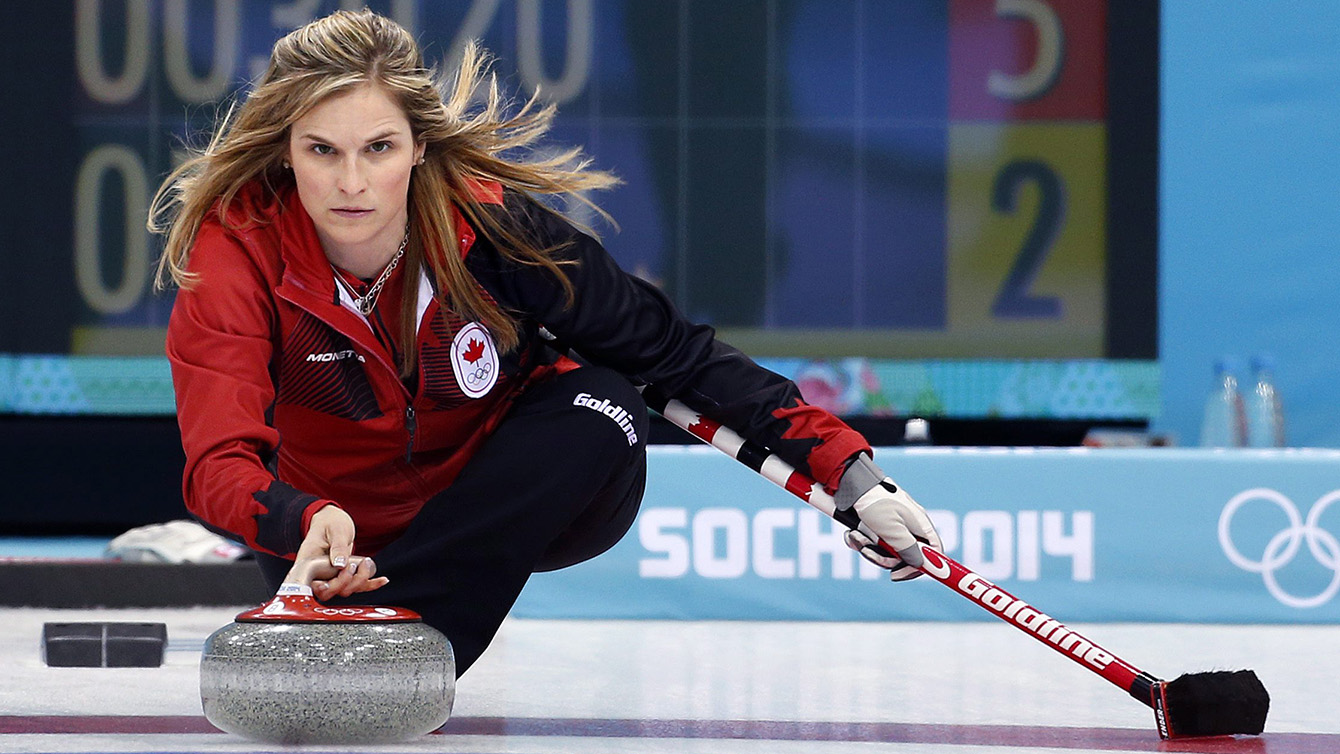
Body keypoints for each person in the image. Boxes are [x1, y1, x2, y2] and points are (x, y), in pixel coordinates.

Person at [150, 9, 941, 675]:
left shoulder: (492, 227)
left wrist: (854, 474)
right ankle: (367, 621)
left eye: (378, 148)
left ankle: (399, 645)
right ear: (286, 150)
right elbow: (218, 465)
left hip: (508, 502)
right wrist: (300, 517)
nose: (351, 182)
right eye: (322, 150)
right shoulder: (235, 254)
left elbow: (676, 355)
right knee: (313, 535)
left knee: (607, 399)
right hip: (330, 533)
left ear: (419, 147)